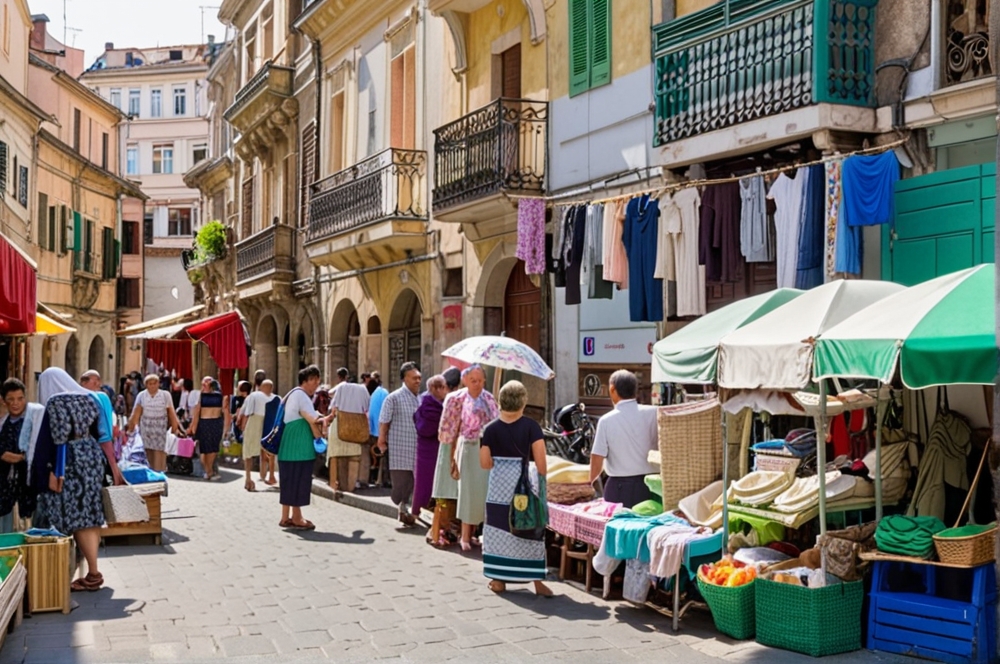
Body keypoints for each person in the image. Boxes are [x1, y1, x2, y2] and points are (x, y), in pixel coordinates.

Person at [32, 368, 124, 592]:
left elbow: (51, 438)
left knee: (77, 517)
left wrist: (44, 472)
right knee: (90, 515)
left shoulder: (55, 403)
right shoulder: (89, 398)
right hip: (91, 457)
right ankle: (91, 570)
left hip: (69, 461)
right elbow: (100, 433)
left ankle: (80, 573)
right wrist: (113, 467)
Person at [480, 380, 552, 596]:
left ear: (501, 402)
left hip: (497, 489)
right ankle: (537, 582)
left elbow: (484, 463)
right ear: (523, 402)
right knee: (528, 530)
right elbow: (541, 465)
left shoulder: (489, 429)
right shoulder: (531, 427)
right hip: (524, 488)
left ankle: (499, 579)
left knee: (498, 530)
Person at [440, 365, 498, 551]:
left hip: (484, 447)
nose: (477, 384)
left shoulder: (489, 398)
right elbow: (447, 424)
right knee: (467, 491)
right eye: (473, 380)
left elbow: (497, 421)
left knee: (482, 492)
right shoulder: (457, 398)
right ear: (465, 380)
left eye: (480, 381)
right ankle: (464, 535)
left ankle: (474, 533)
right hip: (467, 446)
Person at [589, 369, 658, 508]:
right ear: (635, 390)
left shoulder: (606, 420)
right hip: (653, 486)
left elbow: (597, 458)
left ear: (612, 389)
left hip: (619, 488)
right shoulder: (654, 413)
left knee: (618, 526)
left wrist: (589, 485)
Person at [278, 365, 329, 530]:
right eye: (314, 380)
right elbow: (314, 418)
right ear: (306, 381)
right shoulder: (302, 396)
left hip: (288, 446)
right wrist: (328, 419)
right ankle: (297, 518)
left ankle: (286, 517)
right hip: (299, 446)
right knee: (299, 480)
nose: (316, 384)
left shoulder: (293, 394)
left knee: (289, 480)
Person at [377, 362, 422, 527]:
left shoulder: (421, 398)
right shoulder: (393, 398)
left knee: (415, 481)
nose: (417, 381)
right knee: (401, 482)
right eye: (414, 378)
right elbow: (384, 421)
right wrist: (381, 440)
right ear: (404, 379)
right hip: (400, 447)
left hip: (418, 447)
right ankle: (402, 507)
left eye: (419, 378)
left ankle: (408, 511)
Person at [0, 379, 42, 533]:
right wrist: (22, 457)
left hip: (29, 484)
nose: (16, 403)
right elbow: (4, 454)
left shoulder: (33, 422)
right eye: (11, 399)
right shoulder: (2, 425)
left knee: (29, 525)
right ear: (4, 401)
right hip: (6, 485)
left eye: (20, 398)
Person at [126, 374, 184, 472]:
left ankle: (159, 474)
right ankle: (149, 475)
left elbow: (171, 412)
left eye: (155, 383)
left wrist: (175, 428)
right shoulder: (142, 395)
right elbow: (136, 413)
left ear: (158, 384)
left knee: (159, 454)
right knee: (147, 453)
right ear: (146, 385)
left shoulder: (165, 395)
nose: (152, 386)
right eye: (150, 384)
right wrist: (130, 429)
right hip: (146, 430)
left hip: (160, 430)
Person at [413, 375, 448, 532]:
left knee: (422, 481)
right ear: (436, 388)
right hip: (433, 447)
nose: (445, 391)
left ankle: (418, 510)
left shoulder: (422, 401)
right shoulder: (435, 406)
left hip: (423, 446)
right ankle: (426, 512)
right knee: (431, 481)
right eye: (443, 387)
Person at [327, 368, 370, 492]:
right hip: (357, 427)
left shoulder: (341, 387)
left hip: (340, 425)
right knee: (354, 456)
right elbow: (367, 406)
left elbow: (333, 407)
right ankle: (350, 488)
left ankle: (334, 484)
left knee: (335, 456)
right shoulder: (363, 389)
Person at [238, 379, 278, 491]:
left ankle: (248, 478)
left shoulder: (254, 395)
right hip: (270, 424)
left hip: (255, 421)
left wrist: (243, 428)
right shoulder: (277, 398)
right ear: (272, 388)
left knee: (248, 451)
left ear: (260, 387)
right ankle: (270, 475)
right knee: (269, 450)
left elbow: (246, 413)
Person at [189, 377, 230, 481]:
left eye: (208, 382)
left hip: (215, 423)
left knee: (213, 449)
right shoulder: (200, 396)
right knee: (204, 449)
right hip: (204, 423)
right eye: (204, 382)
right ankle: (209, 471)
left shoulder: (220, 397)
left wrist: (226, 428)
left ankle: (208, 471)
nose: (206, 384)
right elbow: (196, 413)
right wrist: (193, 427)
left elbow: (225, 412)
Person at [367, 373, 389, 486]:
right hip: (380, 429)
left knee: (374, 456)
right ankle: (380, 480)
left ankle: (373, 478)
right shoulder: (383, 393)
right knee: (382, 457)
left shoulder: (374, 395)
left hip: (373, 429)